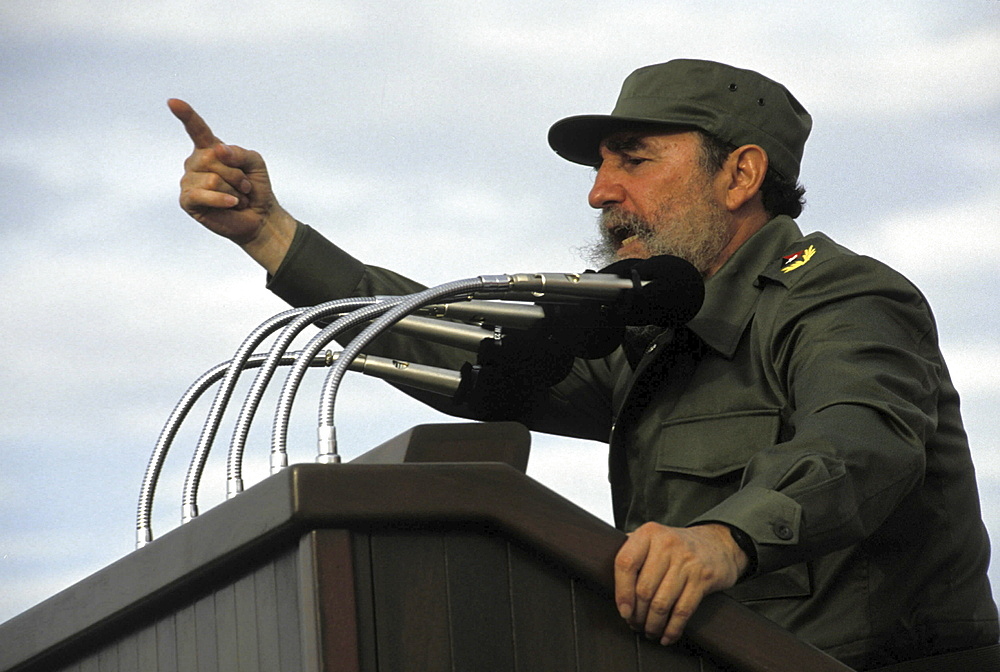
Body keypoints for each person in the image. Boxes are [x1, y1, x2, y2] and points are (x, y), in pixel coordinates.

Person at [170, 59, 998, 670]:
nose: (599, 193)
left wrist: (724, 537)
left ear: (740, 173)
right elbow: (466, 351)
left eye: (633, 159)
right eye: (600, 167)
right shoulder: (655, 332)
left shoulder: (842, 298)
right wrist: (271, 235)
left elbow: (862, 444)